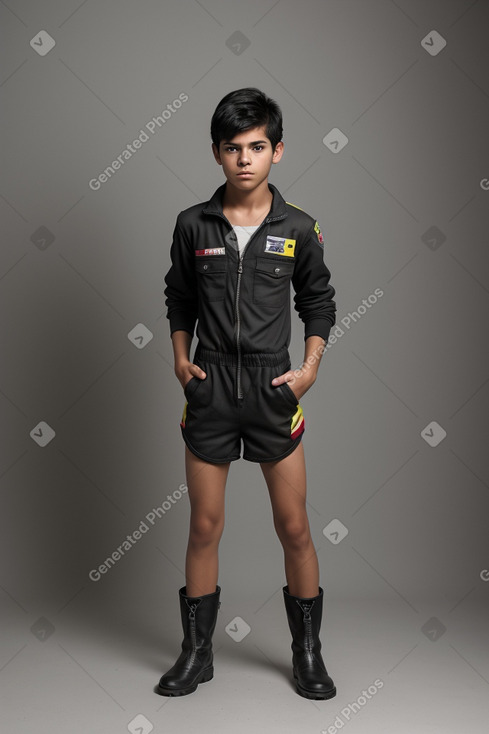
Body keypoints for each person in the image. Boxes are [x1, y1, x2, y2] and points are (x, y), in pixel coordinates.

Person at [157, 87, 337, 700]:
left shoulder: (300, 227)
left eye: (257, 147)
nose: (244, 159)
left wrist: (308, 368)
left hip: (271, 391)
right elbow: (178, 297)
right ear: (216, 154)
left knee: (294, 527)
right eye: (232, 148)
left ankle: (308, 654)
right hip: (209, 390)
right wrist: (181, 358)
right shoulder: (191, 224)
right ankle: (196, 653)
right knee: (204, 525)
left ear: (278, 151)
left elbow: (319, 303)